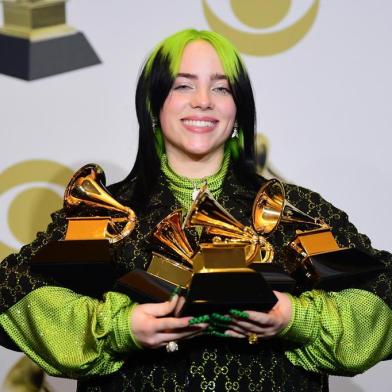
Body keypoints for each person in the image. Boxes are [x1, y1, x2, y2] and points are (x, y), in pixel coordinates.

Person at [0, 29, 391, 392]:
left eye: (221, 88)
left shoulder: (298, 209)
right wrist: (119, 327)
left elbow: (383, 293)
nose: (203, 100)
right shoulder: (102, 212)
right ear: (154, 105)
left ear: (238, 110)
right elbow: (11, 293)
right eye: (183, 85)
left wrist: (296, 319)